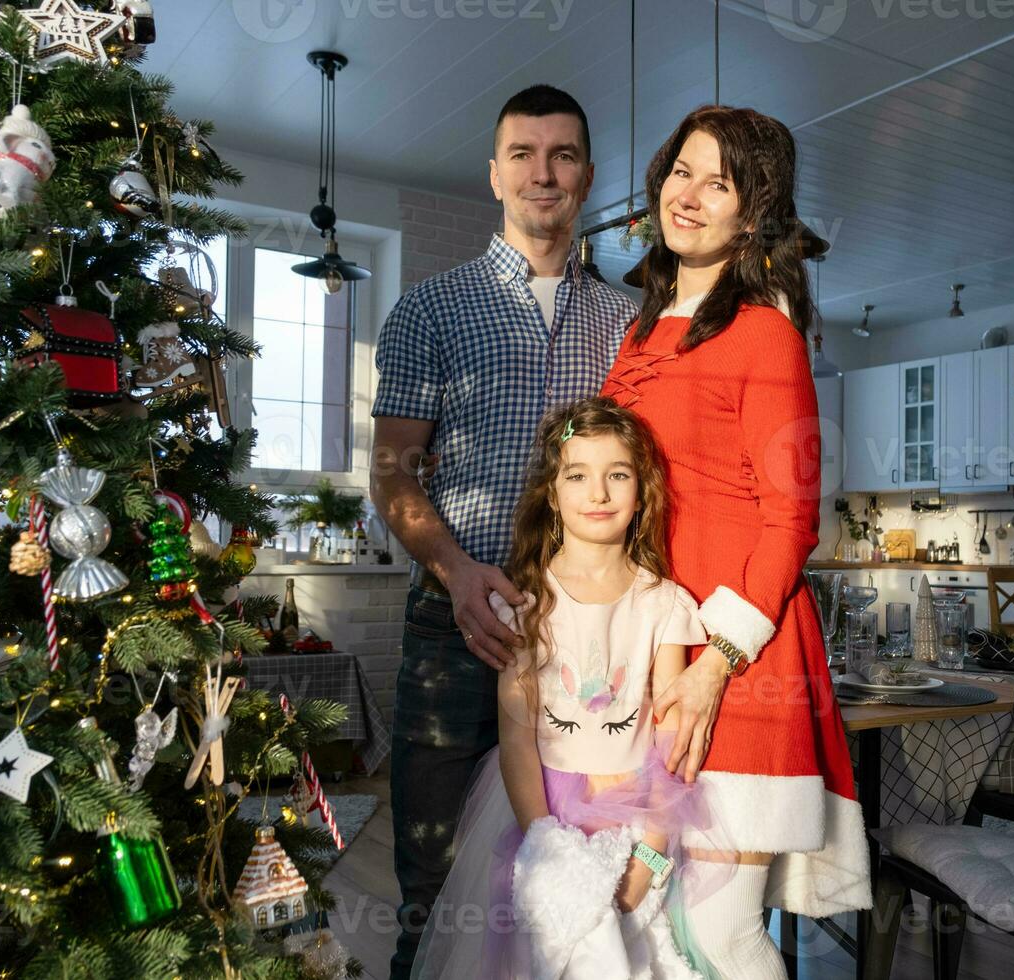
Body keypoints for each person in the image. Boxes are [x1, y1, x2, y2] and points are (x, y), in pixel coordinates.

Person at [371, 85, 638, 979]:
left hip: (586, 647)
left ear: (589, 176)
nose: (543, 172)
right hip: (453, 635)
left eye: (563, 154)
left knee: (576, 890)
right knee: (433, 890)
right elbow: (393, 473)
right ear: (493, 174)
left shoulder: (630, 322)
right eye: (523, 153)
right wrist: (454, 570)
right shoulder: (429, 310)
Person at [600, 105, 871, 978]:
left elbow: (792, 520)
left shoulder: (767, 335)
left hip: (741, 666)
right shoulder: (636, 335)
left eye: (720, 182)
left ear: (752, 214)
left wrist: (716, 663)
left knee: (720, 934)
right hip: (654, 653)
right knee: (653, 927)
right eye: (682, 171)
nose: (691, 194)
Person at [413, 397, 724, 978]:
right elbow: (517, 736)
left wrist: (652, 851)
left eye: (618, 475)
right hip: (541, 810)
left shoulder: (664, 605)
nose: (599, 493)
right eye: (577, 476)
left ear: (643, 490)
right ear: (551, 495)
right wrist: (543, 844)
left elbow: (670, 737)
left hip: (634, 815)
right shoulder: (527, 605)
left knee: (634, 951)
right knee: (540, 959)